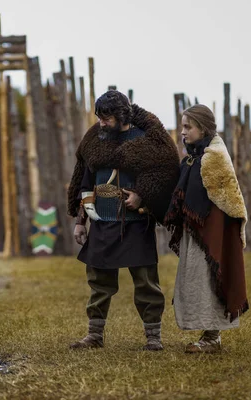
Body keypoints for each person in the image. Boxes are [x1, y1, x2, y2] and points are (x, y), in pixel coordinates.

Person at [67, 90, 180, 350]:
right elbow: (84, 180)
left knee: (146, 283)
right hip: (102, 222)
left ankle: (153, 337)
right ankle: (94, 335)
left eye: (106, 118)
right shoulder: (95, 140)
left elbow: (163, 174)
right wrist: (80, 220)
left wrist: (142, 195)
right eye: (99, 117)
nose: (101, 123)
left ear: (121, 116)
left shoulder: (145, 141)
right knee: (98, 282)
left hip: (136, 224)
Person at [164, 104, 249, 353]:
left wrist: (216, 236)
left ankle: (213, 338)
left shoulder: (214, 158)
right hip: (197, 232)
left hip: (211, 235)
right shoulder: (193, 158)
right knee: (196, 281)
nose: (183, 132)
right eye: (182, 126)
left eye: (188, 127)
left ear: (203, 128)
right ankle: (209, 335)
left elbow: (229, 202)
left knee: (209, 279)